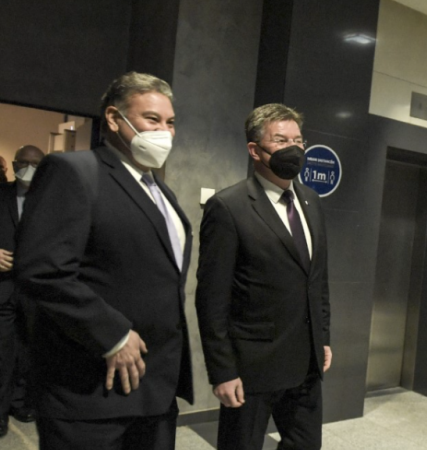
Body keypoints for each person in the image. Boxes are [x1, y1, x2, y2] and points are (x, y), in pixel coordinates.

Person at [14, 72, 193, 450]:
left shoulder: (162, 192)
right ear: (113, 118)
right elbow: (42, 270)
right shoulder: (73, 171)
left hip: (154, 389)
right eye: (152, 119)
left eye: (171, 122)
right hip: (91, 389)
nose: (164, 132)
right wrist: (112, 333)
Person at [196, 103, 331, 450]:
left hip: (306, 363)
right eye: (281, 140)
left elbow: (317, 280)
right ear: (255, 150)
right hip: (251, 368)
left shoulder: (311, 201)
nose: (293, 149)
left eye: (298, 141)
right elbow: (211, 298)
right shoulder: (229, 207)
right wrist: (222, 371)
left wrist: (323, 337)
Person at [0, 145, 44, 438]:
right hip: (2, 287)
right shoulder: (1, 194)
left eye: (35, 163)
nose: (28, 168)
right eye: (23, 162)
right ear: (14, 165)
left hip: (36, 290)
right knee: (2, 353)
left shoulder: (53, 198)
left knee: (29, 352)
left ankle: (21, 403)